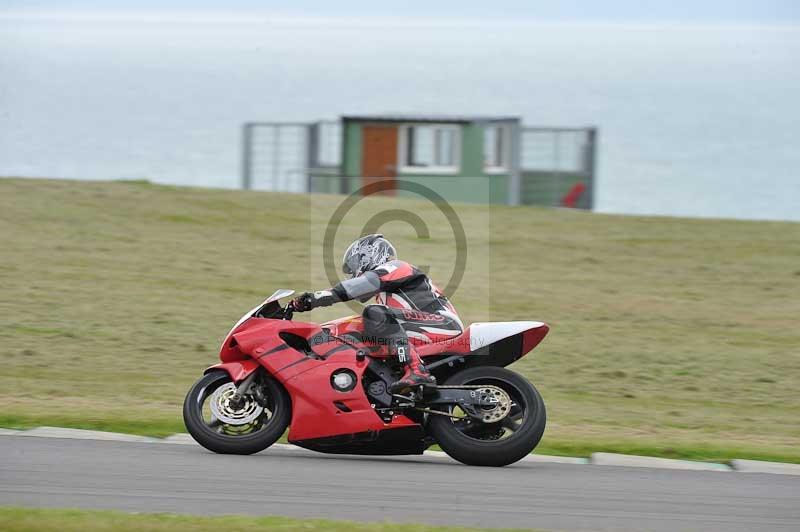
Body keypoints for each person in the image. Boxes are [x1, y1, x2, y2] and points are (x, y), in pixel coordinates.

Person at [289, 234, 463, 393]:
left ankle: (417, 371)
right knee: (358, 330)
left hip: (442, 323)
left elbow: (362, 284)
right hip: (427, 326)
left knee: (374, 313)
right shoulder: (385, 295)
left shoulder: (397, 267)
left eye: (354, 266)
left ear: (369, 255)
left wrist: (315, 298)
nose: (354, 273)